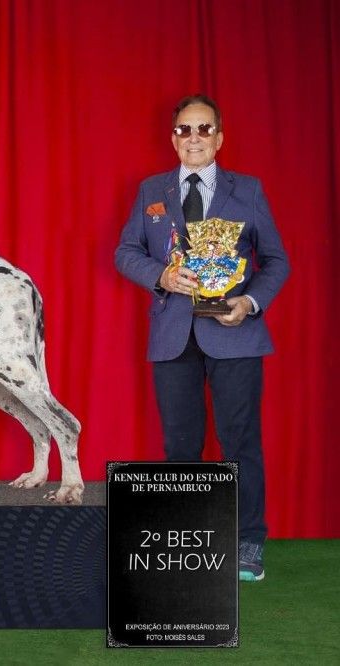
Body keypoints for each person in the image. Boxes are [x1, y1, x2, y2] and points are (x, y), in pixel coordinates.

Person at [115, 94, 289, 582]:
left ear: (220, 137)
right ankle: (185, 541)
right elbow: (125, 252)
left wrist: (249, 302)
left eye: (204, 129)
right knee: (180, 446)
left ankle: (248, 541)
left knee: (240, 441)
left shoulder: (247, 190)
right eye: (185, 129)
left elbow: (277, 261)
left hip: (235, 333)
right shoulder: (151, 190)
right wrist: (161, 276)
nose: (194, 138)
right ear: (173, 138)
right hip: (173, 335)